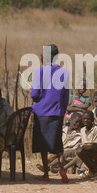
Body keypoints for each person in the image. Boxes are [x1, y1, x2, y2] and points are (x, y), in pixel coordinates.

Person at [31, 44, 70, 183]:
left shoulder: (39, 72)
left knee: (43, 144)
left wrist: (33, 93)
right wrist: (62, 111)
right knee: (58, 142)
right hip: (57, 112)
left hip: (42, 111)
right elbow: (66, 97)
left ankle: (46, 174)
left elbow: (35, 95)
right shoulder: (65, 73)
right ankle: (62, 168)